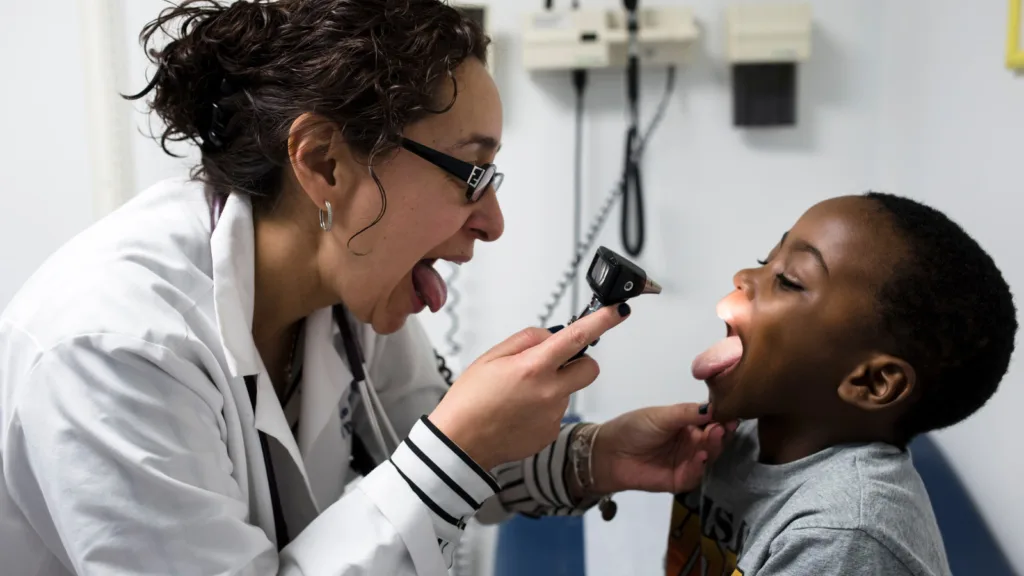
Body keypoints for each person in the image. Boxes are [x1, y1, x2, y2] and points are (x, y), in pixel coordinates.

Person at [0, 1, 734, 575]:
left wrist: (593, 457)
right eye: (470, 173)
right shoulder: (115, 348)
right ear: (323, 163)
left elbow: (433, 449)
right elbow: (442, 456)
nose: (493, 223)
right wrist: (460, 437)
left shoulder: (348, 293)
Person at [665, 192, 1018, 575]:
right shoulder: (733, 439)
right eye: (764, 261)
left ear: (870, 382)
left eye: (788, 280)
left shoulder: (843, 535)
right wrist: (594, 459)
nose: (744, 278)